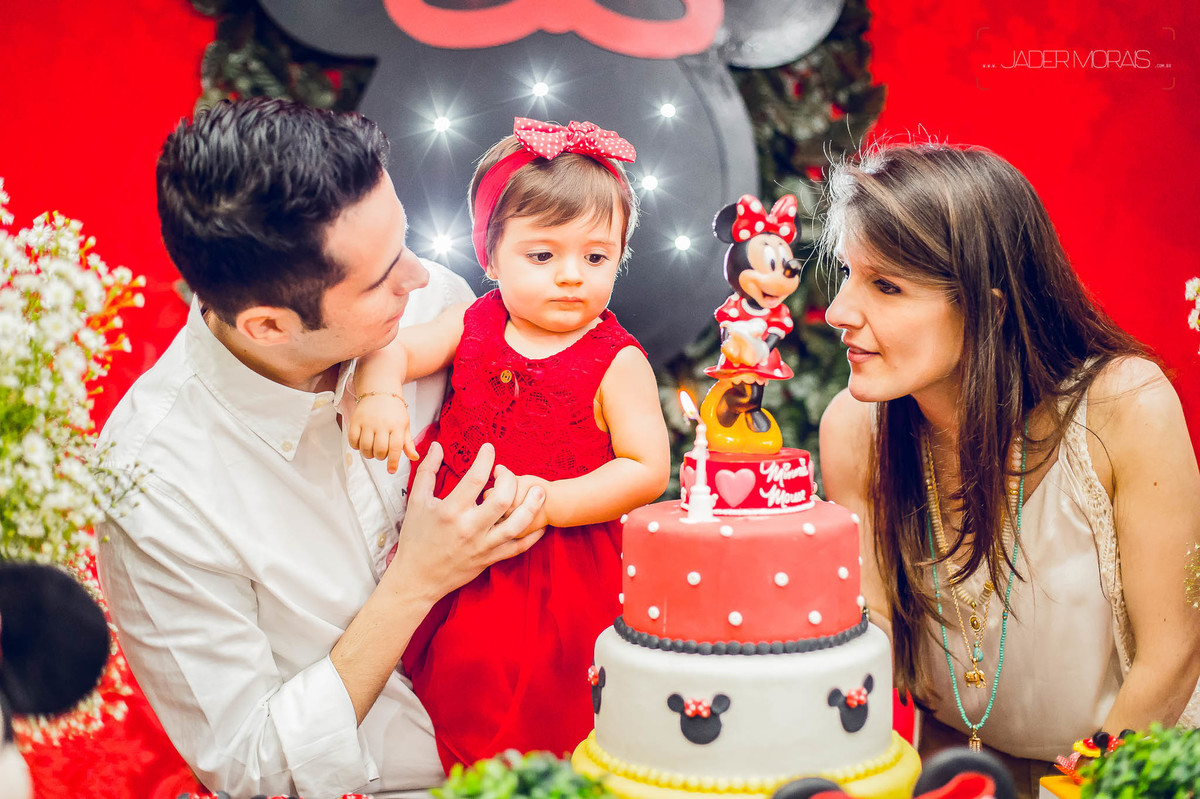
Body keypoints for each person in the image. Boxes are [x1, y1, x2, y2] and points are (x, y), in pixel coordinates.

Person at [96, 98, 548, 799]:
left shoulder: (433, 311)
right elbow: (251, 764)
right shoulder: (156, 481)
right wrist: (415, 580)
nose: (420, 278)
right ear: (269, 325)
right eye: (379, 278)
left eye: (403, 243)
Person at [817, 143, 1200, 799]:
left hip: (1124, 772)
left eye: (886, 286)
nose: (838, 312)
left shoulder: (1123, 407)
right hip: (948, 776)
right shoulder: (854, 427)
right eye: (849, 275)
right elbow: (868, 644)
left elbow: (1173, 657)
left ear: (990, 308)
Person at [346, 117, 671, 769]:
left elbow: (647, 469)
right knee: (460, 680)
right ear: (490, 257)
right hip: (459, 555)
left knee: (557, 702)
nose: (572, 276)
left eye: (596, 256)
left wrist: (554, 498)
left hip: (560, 568)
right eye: (543, 255)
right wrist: (378, 392)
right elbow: (397, 349)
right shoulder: (475, 319)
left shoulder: (616, 360)